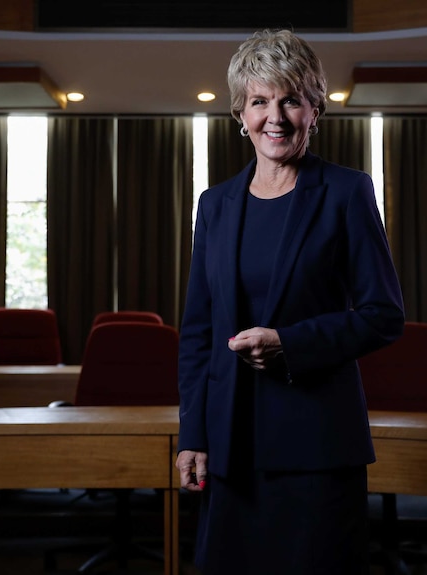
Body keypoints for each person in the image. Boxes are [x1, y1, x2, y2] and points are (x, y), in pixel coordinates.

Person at [175, 29, 405, 574]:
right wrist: (194, 435)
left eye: (291, 100)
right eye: (260, 101)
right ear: (240, 112)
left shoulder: (347, 192)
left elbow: (384, 316)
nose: (275, 116)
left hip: (316, 444)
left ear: (315, 111)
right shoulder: (215, 205)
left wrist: (290, 343)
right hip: (231, 446)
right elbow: (198, 332)